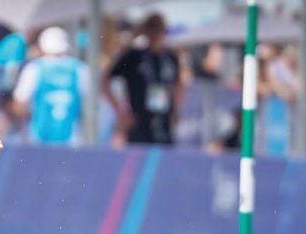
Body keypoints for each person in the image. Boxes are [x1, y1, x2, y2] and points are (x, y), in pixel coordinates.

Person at [103, 12, 182, 146]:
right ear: (146, 30)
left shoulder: (171, 58)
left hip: (164, 124)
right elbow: (105, 80)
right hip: (138, 124)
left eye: (159, 28)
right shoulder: (133, 56)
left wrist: (175, 110)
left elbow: (179, 84)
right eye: (152, 28)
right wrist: (120, 111)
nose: (156, 33)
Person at [12, 26, 88, 146]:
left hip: (39, 140)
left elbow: (20, 104)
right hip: (72, 141)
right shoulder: (80, 68)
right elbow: (91, 104)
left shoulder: (34, 68)